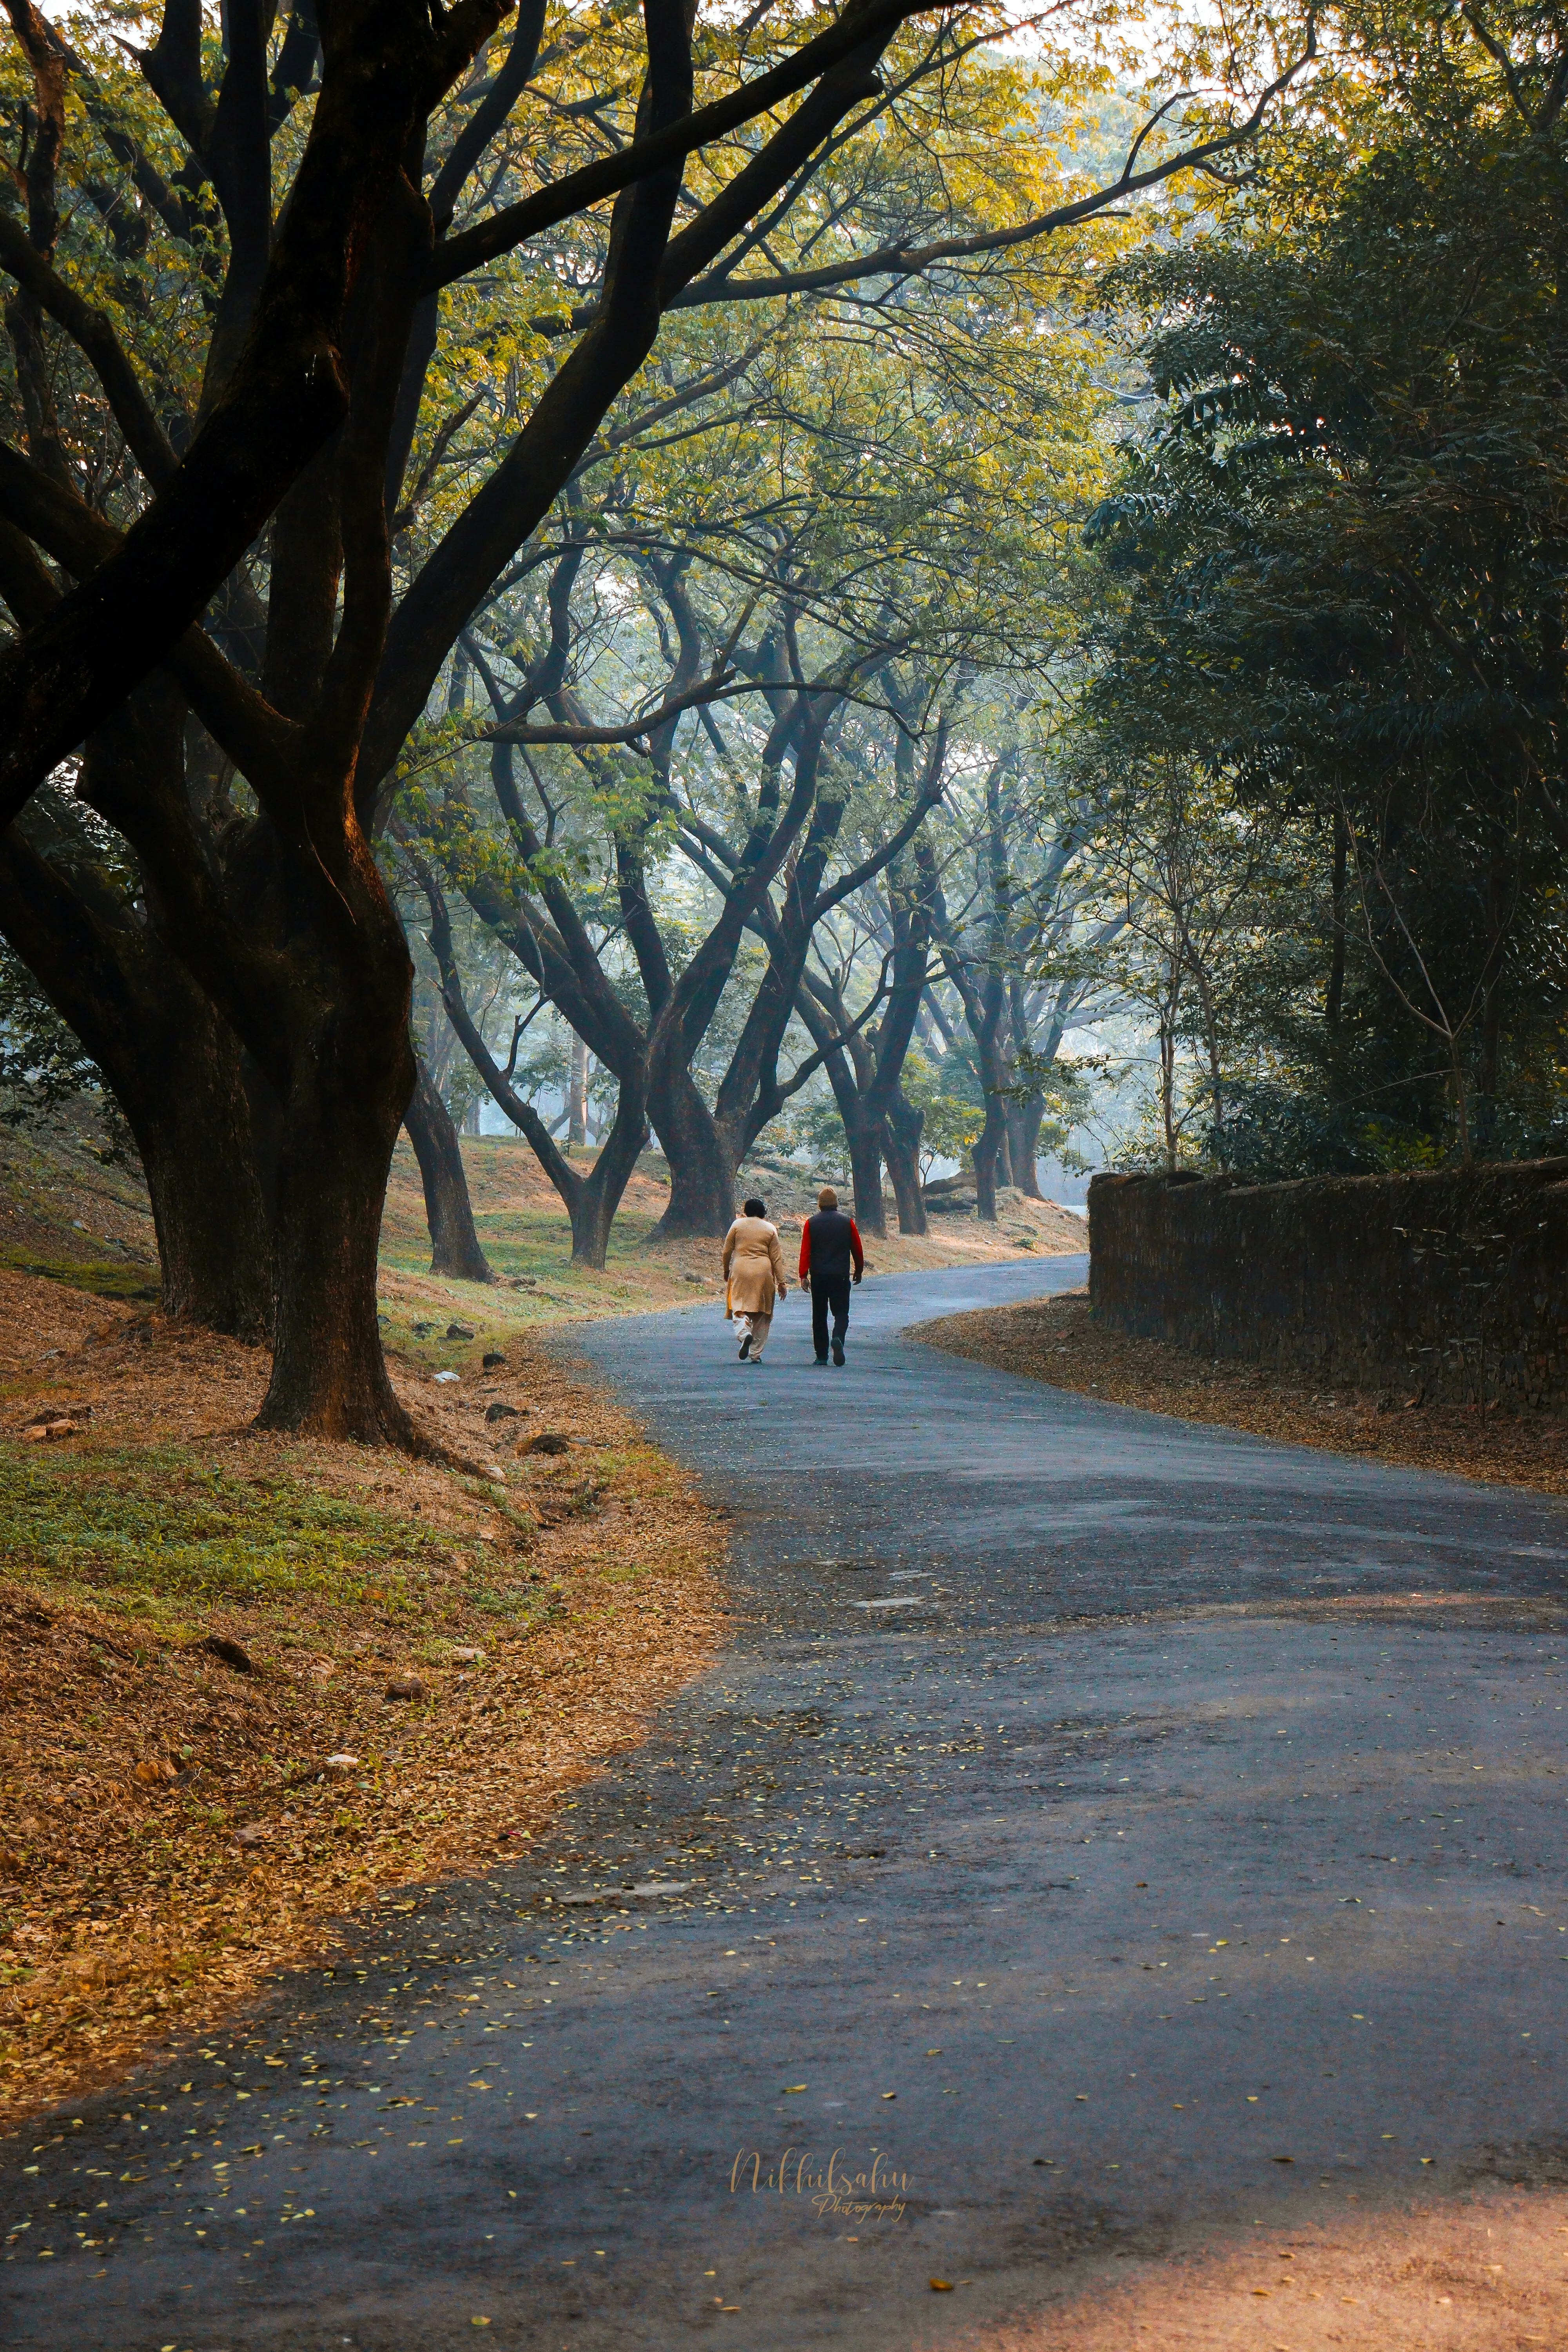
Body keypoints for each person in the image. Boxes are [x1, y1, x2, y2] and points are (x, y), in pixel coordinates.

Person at [799, 1184, 864, 1366]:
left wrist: (803, 1274)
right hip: (840, 1276)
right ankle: (838, 1338)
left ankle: (821, 1356)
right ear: (837, 1204)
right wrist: (859, 1269)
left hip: (819, 1276)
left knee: (819, 1315)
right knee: (842, 1313)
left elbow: (806, 1251)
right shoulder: (847, 1222)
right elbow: (857, 1248)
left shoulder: (811, 1223)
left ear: (819, 1205)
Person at [721, 1196, 789, 1364]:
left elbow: (726, 1251)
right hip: (763, 1272)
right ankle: (756, 1353)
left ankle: (745, 1334)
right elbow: (777, 1259)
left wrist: (726, 1270)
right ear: (763, 1212)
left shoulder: (737, 1225)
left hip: (741, 1270)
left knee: (738, 1307)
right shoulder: (770, 1228)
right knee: (762, 1314)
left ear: (746, 1211)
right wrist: (781, 1282)